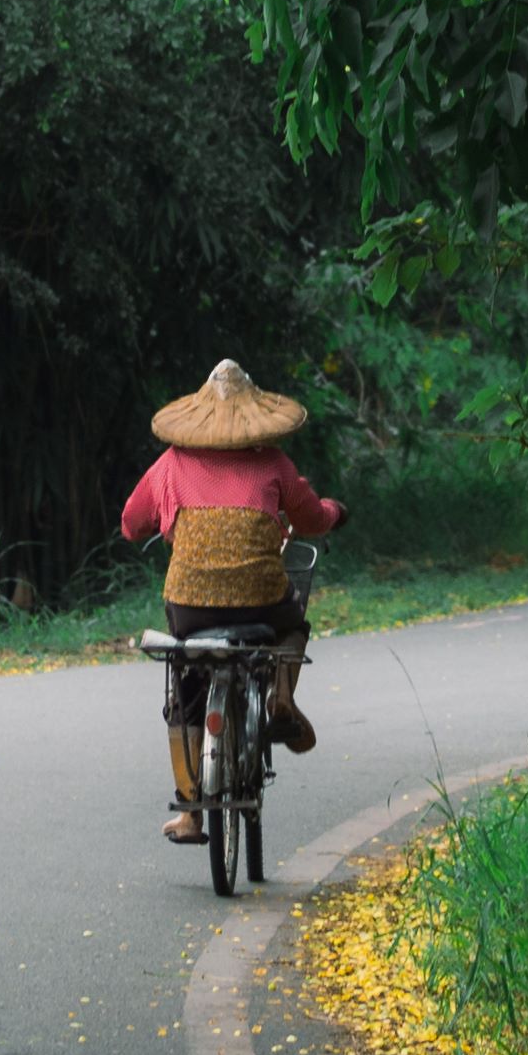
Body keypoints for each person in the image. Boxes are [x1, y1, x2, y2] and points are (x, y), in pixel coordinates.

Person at [118, 359, 342, 841]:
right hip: (261, 599)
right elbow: (310, 519)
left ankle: (191, 814)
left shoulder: (172, 463)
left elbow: (131, 522)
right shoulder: (274, 462)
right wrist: (334, 512)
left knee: (187, 691)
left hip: (190, 606)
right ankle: (282, 696)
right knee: (293, 626)